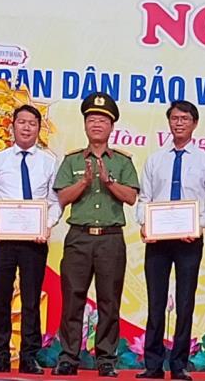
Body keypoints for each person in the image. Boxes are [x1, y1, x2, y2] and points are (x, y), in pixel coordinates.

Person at [135, 101, 205, 380]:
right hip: (158, 242)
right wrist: (144, 223)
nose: (179, 123)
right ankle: (152, 365)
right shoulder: (155, 160)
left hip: (189, 241)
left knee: (185, 303)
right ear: (169, 122)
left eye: (185, 119)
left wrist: (198, 226)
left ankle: (179, 364)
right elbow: (144, 199)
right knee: (156, 302)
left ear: (195, 123)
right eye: (174, 118)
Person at [52, 93, 140, 377]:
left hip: (110, 239)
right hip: (79, 237)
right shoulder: (72, 160)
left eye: (102, 120)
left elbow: (131, 197)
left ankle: (106, 359)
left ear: (111, 126)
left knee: (109, 301)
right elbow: (62, 198)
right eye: (92, 119)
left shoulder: (122, 162)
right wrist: (85, 182)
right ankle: (69, 357)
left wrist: (108, 182)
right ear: (85, 125)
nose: (97, 124)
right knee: (73, 298)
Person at [0, 104, 62, 374]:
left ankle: (29, 357)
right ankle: (0, 356)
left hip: (34, 242)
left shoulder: (49, 162)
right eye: (22, 122)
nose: (26, 127)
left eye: (32, 123)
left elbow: (55, 201)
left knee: (31, 301)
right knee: (1, 299)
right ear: (12, 126)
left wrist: (47, 225)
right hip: (2, 241)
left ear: (39, 128)